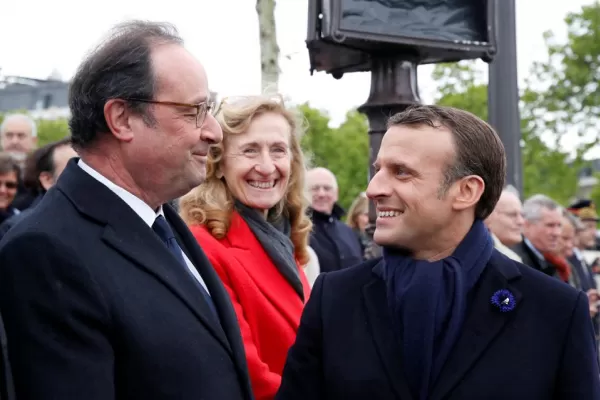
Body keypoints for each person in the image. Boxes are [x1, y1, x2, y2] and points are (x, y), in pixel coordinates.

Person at [0, 21, 252, 400]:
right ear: (121, 119)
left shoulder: (162, 220)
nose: (214, 131)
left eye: (209, 108)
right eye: (194, 111)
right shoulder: (46, 249)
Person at [276, 105, 600, 400]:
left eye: (401, 172)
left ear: (466, 191)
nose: (374, 188)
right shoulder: (334, 297)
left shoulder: (555, 310)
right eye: (378, 170)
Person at [180, 94, 312, 400]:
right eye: (250, 151)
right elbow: (251, 376)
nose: (266, 167)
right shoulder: (205, 246)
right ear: (219, 164)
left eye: (278, 150)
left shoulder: (281, 240)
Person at [0, 138, 76, 240]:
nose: (3, 190)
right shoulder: (17, 226)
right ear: (47, 179)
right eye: (72, 170)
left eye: (10, 185)